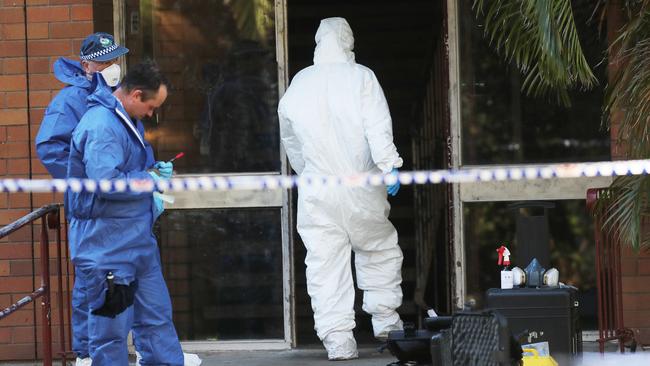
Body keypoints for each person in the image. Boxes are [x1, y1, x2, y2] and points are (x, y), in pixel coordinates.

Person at [278, 17, 404, 360]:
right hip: (361, 183)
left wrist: (308, 172)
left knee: (324, 263)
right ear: (348, 41)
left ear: (319, 43)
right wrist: (389, 165)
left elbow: (290, 138)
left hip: (318, 188)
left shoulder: (300, 82)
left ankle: (338, 341)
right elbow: (377, 125)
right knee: (377, 249)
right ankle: (386, 323)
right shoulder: (361, 77)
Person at [66, 60, 184, 365]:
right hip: (107, 245)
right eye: (152, 106)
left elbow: (121, 172)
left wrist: (150, 172)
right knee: (110, 333)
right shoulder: (102, 125)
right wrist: (150, 180)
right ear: (136, 95)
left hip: (135, 239)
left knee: (157, 320)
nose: (152, 113)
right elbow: (106, 182)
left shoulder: (124, 120)